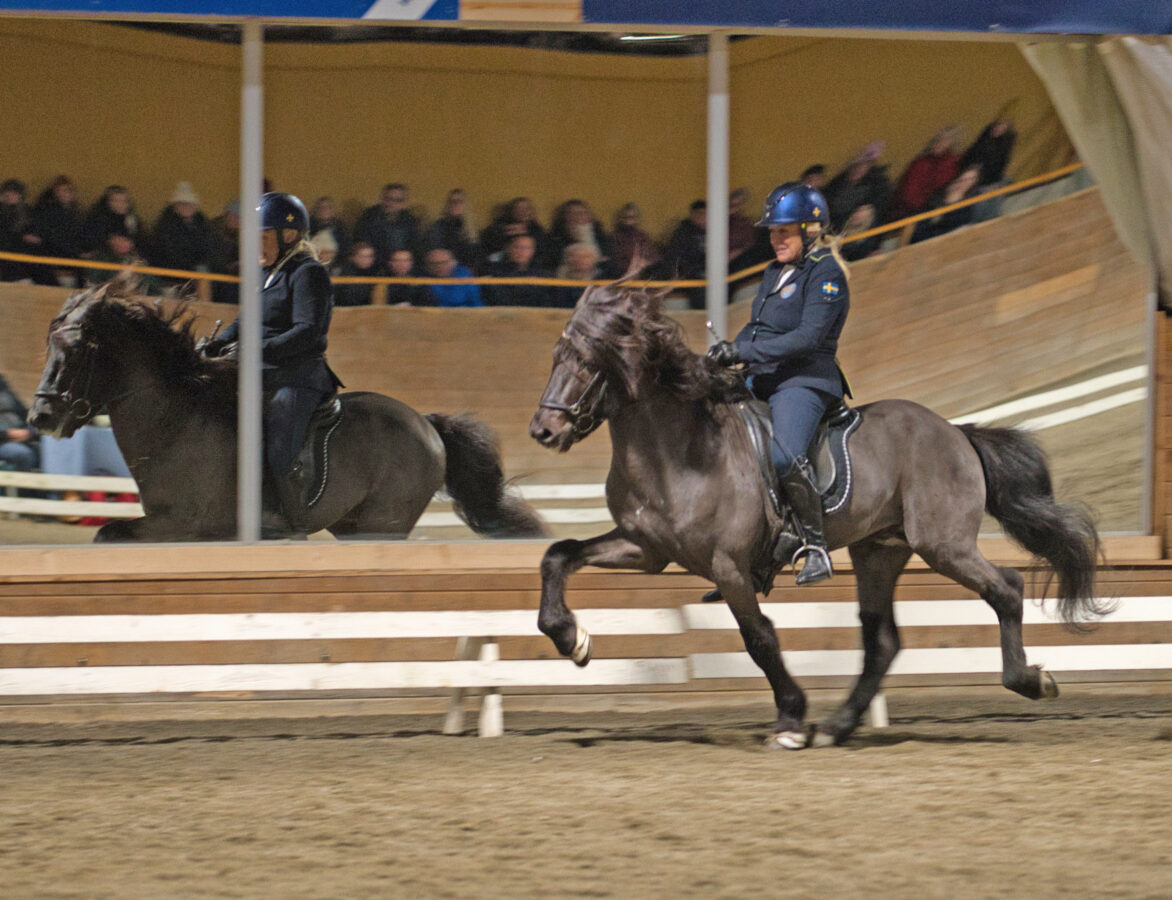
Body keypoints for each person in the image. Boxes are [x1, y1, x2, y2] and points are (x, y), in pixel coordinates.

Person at [707, 182, 850, 586]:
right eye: (772, 232)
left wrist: (744, 354)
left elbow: (807, 337)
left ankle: (814, 545)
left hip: (804, 379)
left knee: (785, 456)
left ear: (810, 229)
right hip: (764, 376)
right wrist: (727, 352)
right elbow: (758, 329)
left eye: (783, 231)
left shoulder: (827, 274)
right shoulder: (774, 272)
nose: (775, 239)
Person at [202, 192, 340, 533]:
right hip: (263, 372)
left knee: (280, 448)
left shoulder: (308, 274)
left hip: (297, 377)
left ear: (288, 235)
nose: (254, 246)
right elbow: (245, 319)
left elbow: (308, 333)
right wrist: (218, 342)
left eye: (262, 237)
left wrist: (256, 350)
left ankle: (293, 522)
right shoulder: (268, 274)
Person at [887, 126, 961, 223]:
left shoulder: (951, 165)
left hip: (923, 214)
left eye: (945, 140)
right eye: (938, 139)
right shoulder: (920, 162)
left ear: (952, 144)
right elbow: (906, 190)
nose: (939, 142)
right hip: (903, 211)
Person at [150, 181, 213, 291]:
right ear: (175, 206)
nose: (187, 207)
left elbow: (209, 247)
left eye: (190, 204)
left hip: (196, 274)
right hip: (172, 274)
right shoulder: (166, 226)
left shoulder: (202, 224)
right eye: (182, 204)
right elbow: (169, 253)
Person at [28, 175, 88, 285]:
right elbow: (50, 235)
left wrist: (84, 250)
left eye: (67, 190)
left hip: (70, 252)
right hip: (54, 250)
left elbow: (81, 234)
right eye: (59, 191)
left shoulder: (77, 213)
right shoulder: (48, 211)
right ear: (55, 193)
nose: (63, 194)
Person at [823, 142, 892, 231]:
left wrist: (868, 210)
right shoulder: (838, 182)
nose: (858, 168)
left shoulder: (878, 185)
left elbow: (879, 207)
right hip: (830, 228)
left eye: (864, 164)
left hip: (857, 235)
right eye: (856, 164)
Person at [353, 183, 422, 270]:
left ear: (405, 203)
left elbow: (414, 249)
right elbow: (361, 243)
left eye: (397, 200)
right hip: (372, 267)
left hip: (400, 267)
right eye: (388, 199)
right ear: (381, 199)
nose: (391, 203)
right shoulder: (368, 217)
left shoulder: (410, 221)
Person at [910, 165, 982, 244]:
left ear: (973, 184)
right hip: (923, 241)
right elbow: (919, 229)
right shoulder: (936, 198)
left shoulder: (967, 207)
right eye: (962, 179)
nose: (963, 183)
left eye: (970, 180)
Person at [481, 234, 552, 307]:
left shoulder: (544, 275)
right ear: (508, 249)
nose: (521, 251)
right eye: (516, 247)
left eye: (527, 248)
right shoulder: (494, 272)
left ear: (533, 251)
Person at [661, 199, 708, 309]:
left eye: (706, 215)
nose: (703, 218)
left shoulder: (713, 231)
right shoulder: (682, 233)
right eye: (700, 214)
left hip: (706, 272)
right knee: (701, 287)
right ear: (693, 215)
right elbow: (678, 259)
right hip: (688, 274)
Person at [478, 197, 549, 266]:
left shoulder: (537, 230)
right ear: (511, 211)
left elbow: (543, 251)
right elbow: (489, 246)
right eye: (519, 208)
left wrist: (527, 232)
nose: (523, 211)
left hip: (532, 268)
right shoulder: (499, 227)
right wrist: (505, 233)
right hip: (501, 266)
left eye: (527, 208)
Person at [961, 113, 1017, 189]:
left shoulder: (1002, 149)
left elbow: (1000, 165)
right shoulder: (983, 140)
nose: (998, 128)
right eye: (998, 125)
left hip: (984, 180)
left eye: (1002, 128)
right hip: (970, 174)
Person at [425, 188, 478, 268]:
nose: (455, 204)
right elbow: (436, 250)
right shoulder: (439, 226)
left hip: (467, 273)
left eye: (459, 201)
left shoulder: (473, 229)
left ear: (465, 205)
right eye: (452, 201)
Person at [83, 185, 141, 254]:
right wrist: (111, 241)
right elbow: (91, 242)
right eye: (116, 201)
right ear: (108, 202)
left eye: (125, 201)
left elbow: (139, 240)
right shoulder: (98, 219)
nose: (121, 204)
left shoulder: (131, 219)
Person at [0, 373, 39, 474]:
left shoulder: (2, 386)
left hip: (22, 435)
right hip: (3, 441)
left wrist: (31, 430)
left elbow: (23, 412)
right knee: (22, 454)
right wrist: (7, 435)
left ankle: (55, 489)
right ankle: (24, 490)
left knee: (49, 450)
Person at [610, 202, 660, 276]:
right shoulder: (615, 237)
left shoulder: (643, 237)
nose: (629, 220)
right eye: (626, 217)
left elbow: (655, 257)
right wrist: (632, 265)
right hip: (622, 275)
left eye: (632, 217)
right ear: (621, 219)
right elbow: (615, 260)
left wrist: (646, 263)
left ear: (637, 219)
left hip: (643, 274)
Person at [0, 178, 35, 282]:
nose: (11, 196)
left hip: (24, 255)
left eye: (15, 193)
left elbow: (33, 230)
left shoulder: (27, 211)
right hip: (6, 254)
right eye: (8, 193)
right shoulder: (2, 211)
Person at [332, 241, 381, 307]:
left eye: (369, 256)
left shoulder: (378, 273)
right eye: (362, 256)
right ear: (353, 258)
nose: (366, 260)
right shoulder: (343, 275)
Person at [308, 196, 350, 261]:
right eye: (321, 207)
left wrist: (333, 254)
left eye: (328, 207)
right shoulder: (308, 227)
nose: (325, 210)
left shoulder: (340, 228)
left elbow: (346, 249)